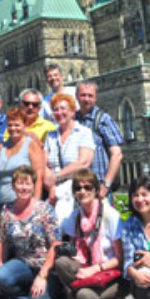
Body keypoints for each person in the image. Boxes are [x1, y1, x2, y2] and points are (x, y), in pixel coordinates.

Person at [54, 170, 125, 299]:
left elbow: (120, 259)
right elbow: (73, 252)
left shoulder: (110, 216)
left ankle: (80, 291)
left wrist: (95, 269)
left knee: (83, 295)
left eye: (87, 187)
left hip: (110, 274)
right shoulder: (75, 216)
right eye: (78, 188)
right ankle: (83, 288)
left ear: (96, 190)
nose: (82, 191)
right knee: (61, 262)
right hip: (86, 266)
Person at [0, 165, 58, 299]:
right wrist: (0, 264)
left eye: (28, 184)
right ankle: (23, 295)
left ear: (34, 186)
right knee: (0, 276)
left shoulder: (45, 209)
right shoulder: (7, 210)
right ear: (13, 186)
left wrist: (42, 276)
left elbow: (56, 244)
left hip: (45, 267)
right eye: (20, 183)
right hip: (22, 264)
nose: (24, 188)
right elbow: (2, 240)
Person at [43, 93, 95, 223]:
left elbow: (83, 162)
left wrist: (56, 176)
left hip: (76, 192)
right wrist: (52, 188)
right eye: (55, 109)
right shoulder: (51, 136)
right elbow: (42, 165)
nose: (59, 112)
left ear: (72, 112)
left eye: (63, 108)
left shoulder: (83, 132)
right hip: (54, 193)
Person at [0, 107, 44, 218]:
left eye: (17, 125)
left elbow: (38, 176)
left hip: (24, 204)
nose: (13, 128)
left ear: (24, 126)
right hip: (3, 204)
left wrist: (35, 202)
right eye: (10, 125)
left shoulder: (31, 145)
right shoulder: (1, 147)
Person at [76, 81, 124, 199]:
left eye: (90, 95)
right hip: (79, 187)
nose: (86, 99)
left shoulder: (103, 119)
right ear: (77, 96)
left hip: (99, 187)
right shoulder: (73, 120)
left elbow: (117, 154)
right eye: (83, 95)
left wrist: (106, 185)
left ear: (96, 98)